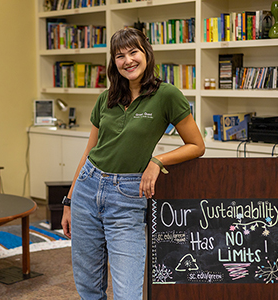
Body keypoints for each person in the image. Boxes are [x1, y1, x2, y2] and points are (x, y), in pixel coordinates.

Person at [61, 27, 205, 300]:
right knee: (88, 287)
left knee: (128, 291)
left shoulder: (167, 95)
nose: (128, 60)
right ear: (114, 63)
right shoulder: (106, 98)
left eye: (133, 52)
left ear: (146, 54)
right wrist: (69, 201)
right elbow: (89, 152)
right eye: (119, 55)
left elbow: (197, 145)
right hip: (87, 188)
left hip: (127, 196)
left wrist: (157, 161)